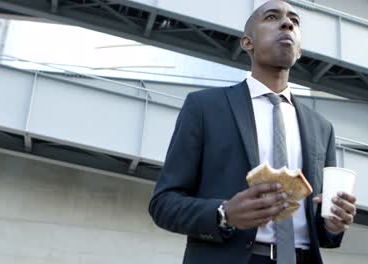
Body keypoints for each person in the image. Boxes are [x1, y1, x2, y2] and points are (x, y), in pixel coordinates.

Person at [149, 0, 357, 263]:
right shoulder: (204, 107)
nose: (287, 23)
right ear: (248, 42)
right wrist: (223, 214)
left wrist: (333, 225)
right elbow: (163, 204)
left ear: (300, 50)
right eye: (272, 17)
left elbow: (322, 230)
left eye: (294, 21)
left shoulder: (322, 128)